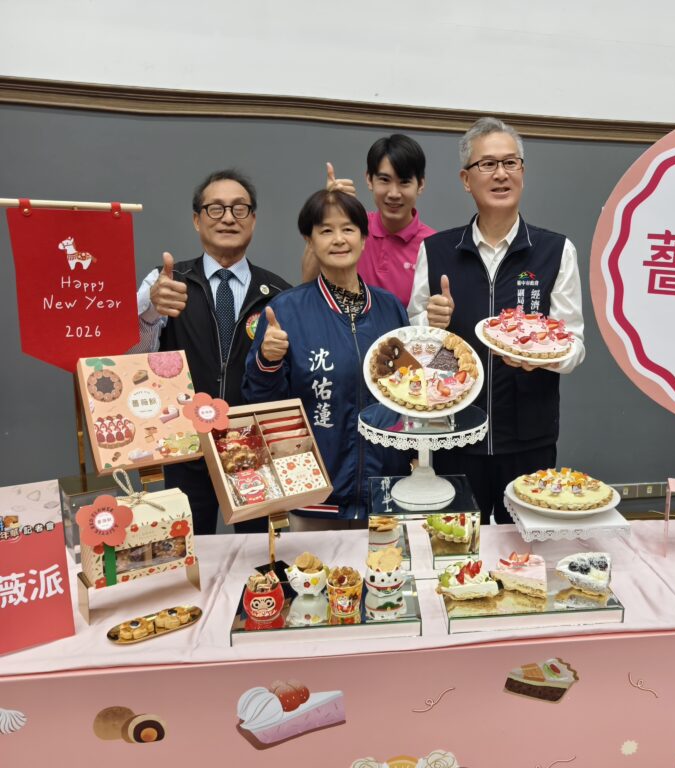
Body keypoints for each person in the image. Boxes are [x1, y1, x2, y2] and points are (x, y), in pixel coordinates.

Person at [407, 117, 585, 523]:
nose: (501, 173)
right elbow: (415, 345)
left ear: (522, 171)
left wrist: (540, 357)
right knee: (454, 543)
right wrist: (431, 326)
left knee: (525, 545)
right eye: (487, 164)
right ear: (466, 179)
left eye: (510, 162)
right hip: (453, 432)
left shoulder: (555, 251)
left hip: (529, 437)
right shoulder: (436, 250)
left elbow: (574, 346)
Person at [133, 169, 290, 535]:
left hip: (253, 449)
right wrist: (151, 310)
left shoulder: (279, 293)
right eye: (215, 209)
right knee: (189, 550)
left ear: (253, 219)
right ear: (196, 219)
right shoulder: (165, 282)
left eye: (239, 208)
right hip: (185, 446)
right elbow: (133, 355)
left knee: (260, 555)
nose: (228, 218)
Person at [243, 189, 408, 528]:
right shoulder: (286, 310)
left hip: (385, 492)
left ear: (364, 237)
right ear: (310, 240)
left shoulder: (390, 308)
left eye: (348, 229)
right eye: (326, 230)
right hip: (314, 496)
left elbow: (409, 393)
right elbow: (261, 403)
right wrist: (267, 360)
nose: (339, 239)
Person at [301, 134, 434, 305]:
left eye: (404, 182)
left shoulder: (433, 246)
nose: (394, 193)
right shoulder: (351, 230)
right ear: (369, 179)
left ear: (420, 185)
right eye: (384, 180)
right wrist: (327, 211)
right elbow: (307, 285)